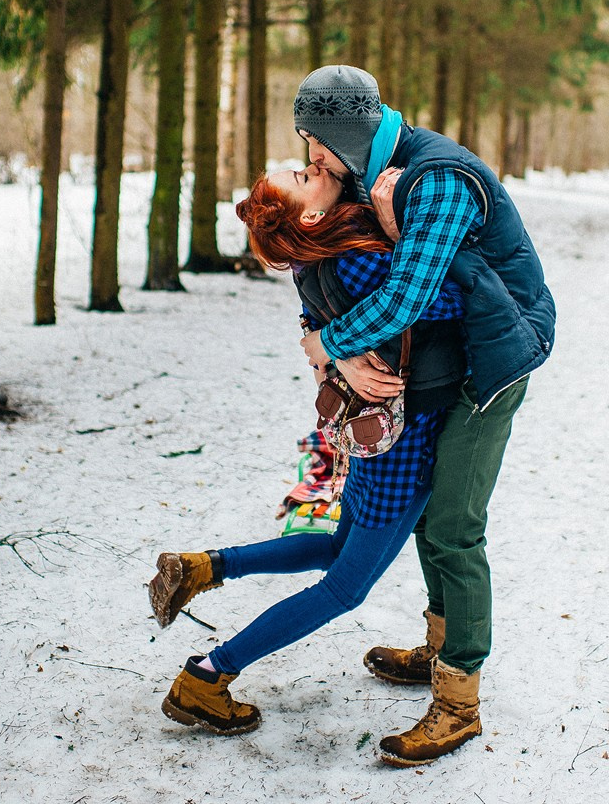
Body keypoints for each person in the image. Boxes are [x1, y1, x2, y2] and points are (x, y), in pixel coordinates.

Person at [148, 163, 468, 754]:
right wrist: (402, 234)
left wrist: (334, 349)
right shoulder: (357, 259)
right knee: (345, 588)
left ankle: (205, 567)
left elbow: (324, 324)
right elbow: (443, 299)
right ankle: (208, 676)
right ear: (312, 215)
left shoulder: (310, 261)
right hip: (401, 442)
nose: (316, 166)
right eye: (302, 175)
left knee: (337, 546)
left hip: (371, 434)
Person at [293, 64, 556, 767]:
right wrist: (329, 346)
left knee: (453, 527)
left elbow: (406, 297)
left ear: (346, 135)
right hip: (447, 357)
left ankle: (459, 701)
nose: (311, 159)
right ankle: (440, 650)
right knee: (430, 512)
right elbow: (334, 273)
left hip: (492, 358)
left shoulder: (435, 180)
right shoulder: (371, 174)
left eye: (317, 144)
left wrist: (328, 345)